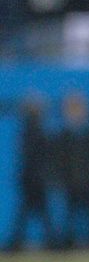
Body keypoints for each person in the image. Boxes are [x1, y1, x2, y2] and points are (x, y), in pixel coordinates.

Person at [53, 90, 89, 250]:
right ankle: (66, 242)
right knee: (70, 214)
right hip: (71, 182)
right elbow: (59, 161)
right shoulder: (63, 136)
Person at [5, 94, 54, 251]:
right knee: (32, 212)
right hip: (34, 178)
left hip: (31, 177)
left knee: (28, 213)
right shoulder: (35, 130)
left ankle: (17, 241)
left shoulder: (28, 130)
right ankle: (50, 242)